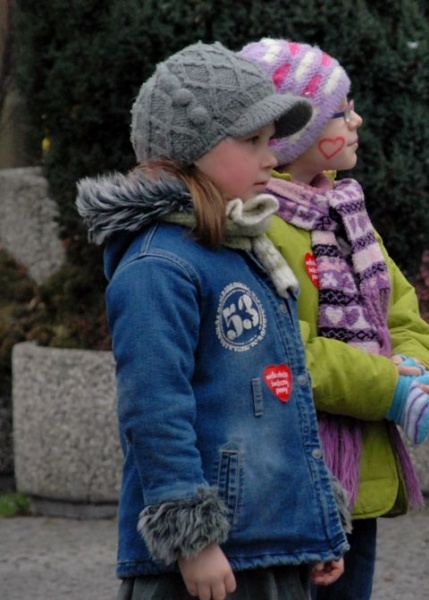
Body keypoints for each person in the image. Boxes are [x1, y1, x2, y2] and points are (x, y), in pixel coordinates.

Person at [76, 41, 350, 600]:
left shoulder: (242, 248)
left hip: (269, 548)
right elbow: (154, 410)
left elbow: (283, 400)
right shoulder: (159, 266)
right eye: (251, 141)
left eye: (270, 142)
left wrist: (315, 522)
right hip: (204, 565)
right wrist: (193, 543)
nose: (271, 158)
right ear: (191, 149)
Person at [237, 38, 429, 600]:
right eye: (341, 110)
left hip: (360, 475)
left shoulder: (348, 213)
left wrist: (415, 369)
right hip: (298, 476)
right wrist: (390, 390)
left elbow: (402, 311)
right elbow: (285, 347)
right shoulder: (259, 226)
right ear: (290, 135)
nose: (357, 119)